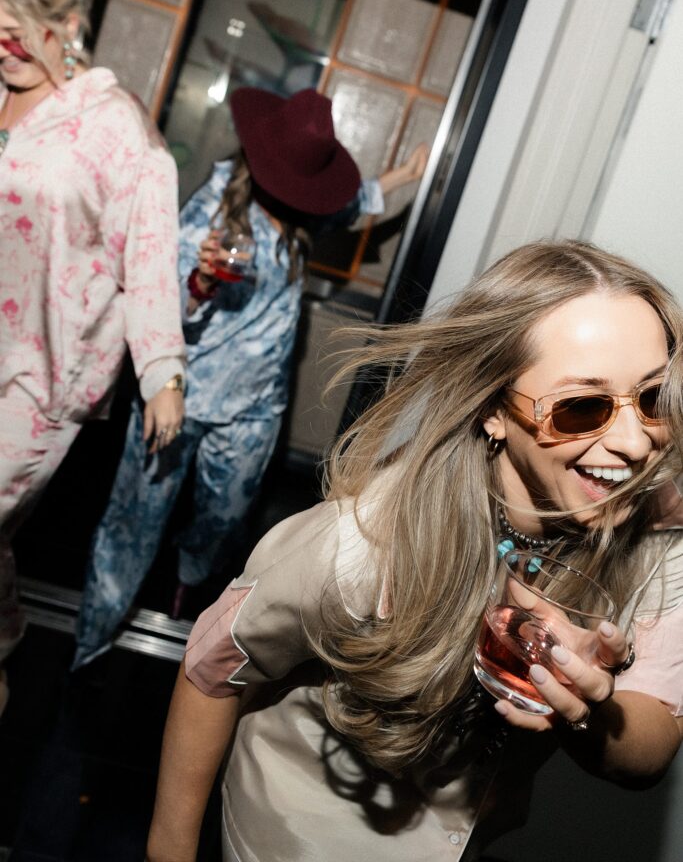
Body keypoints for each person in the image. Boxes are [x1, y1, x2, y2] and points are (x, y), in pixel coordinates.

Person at [145, 240, 682, 862]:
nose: (635, 442)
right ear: (492, 410)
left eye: (652, 399)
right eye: (582, 407)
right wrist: (169, 851)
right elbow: (214, 667)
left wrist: (589, 708)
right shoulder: (360, 544)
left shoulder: (658, 539)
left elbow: (652, 744)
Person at [73, 85, 428, 667]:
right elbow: (160, 302)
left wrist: (405, 175)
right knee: (134, 523)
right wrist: (203, 283)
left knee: (224, 517)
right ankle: (91, 642)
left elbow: (356, 200)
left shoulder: (306, 206)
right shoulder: (210, 210)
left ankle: (188, 579)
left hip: (254, 408)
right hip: (179, 397)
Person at [0, 0, 185, 706]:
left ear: (66, 26)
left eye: (15, 35)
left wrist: (162, 372)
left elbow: (147, 254)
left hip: (45, 375)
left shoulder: (114, 128)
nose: (2, 49)